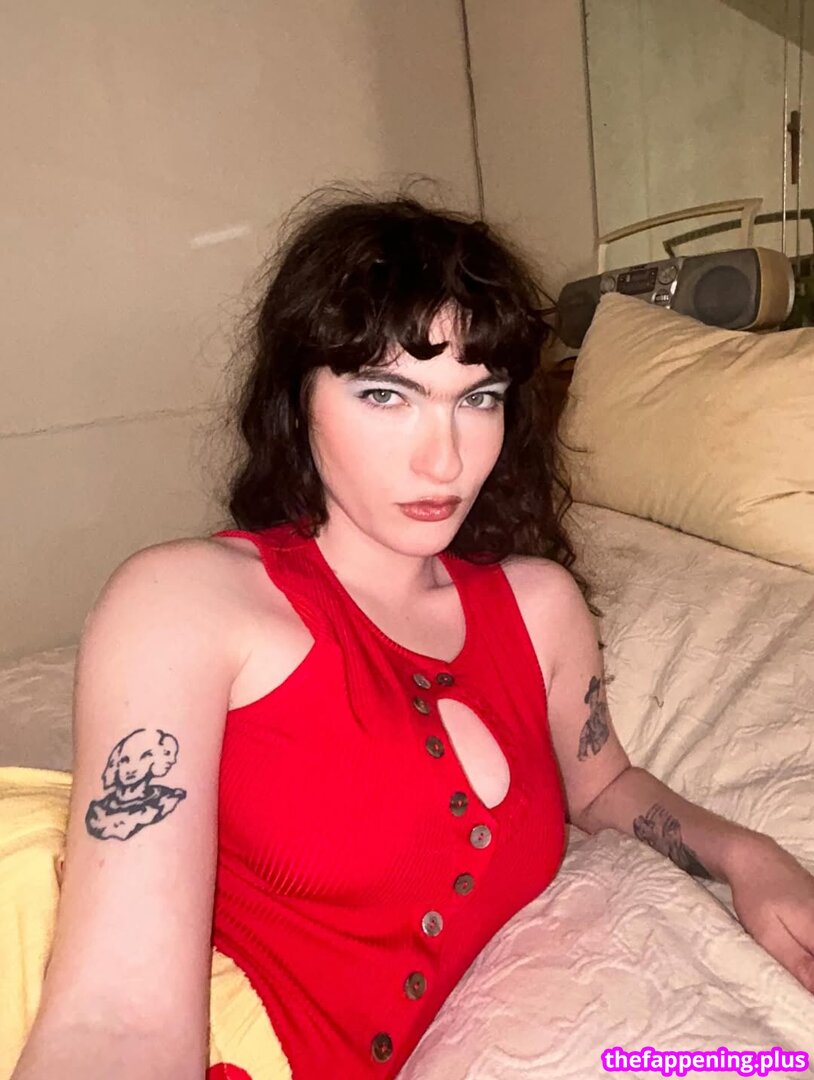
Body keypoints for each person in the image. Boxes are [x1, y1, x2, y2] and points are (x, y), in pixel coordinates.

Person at [11, 188, 814, 1080]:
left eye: (479, 398)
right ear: (297, 400)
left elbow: (602, 785)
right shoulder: (183, 601)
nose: (445, 459)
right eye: (386, 394)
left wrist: (750, 858)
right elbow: (115, 1019)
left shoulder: (540, 606)